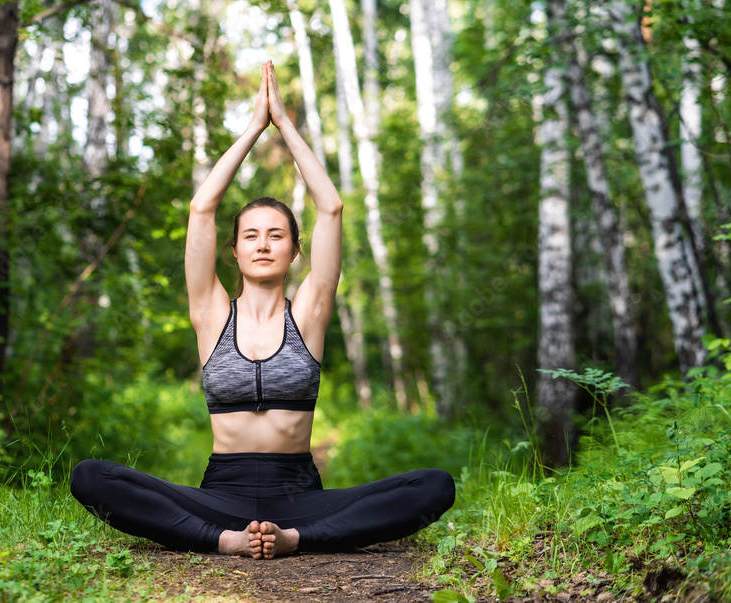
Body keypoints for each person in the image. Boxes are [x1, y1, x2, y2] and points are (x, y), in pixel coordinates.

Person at [70, 61, 455, 559]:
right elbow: (201, 209)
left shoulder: (309, 315)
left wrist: (285, 125)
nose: (263, 244)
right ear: (234, 251)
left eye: (277, 235)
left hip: (300, 498)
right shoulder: (210, 314)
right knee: (91, 476)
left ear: (296, 250)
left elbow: (332, 206)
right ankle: (224, 541)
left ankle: (296, 541)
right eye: (251, 235)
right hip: (218, 497)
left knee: (434, 485)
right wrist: (254, 128)